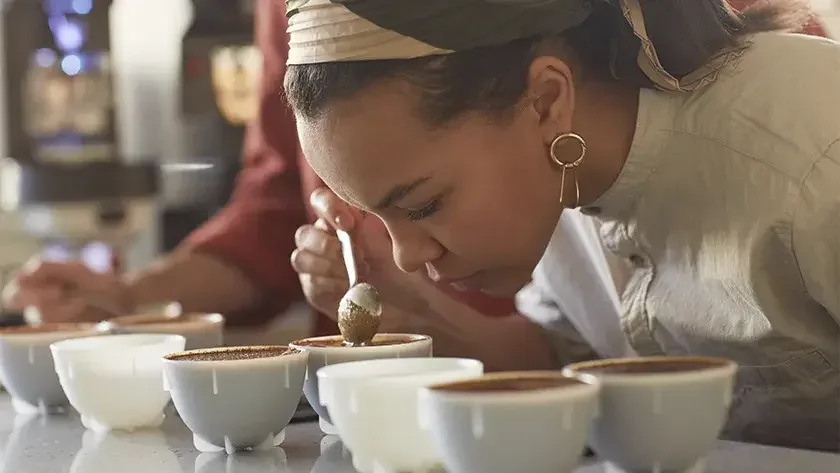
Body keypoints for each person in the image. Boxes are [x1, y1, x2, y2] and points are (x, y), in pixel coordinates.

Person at [282, 0, 839, 453]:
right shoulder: (554, 177)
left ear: (546, 99)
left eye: (424, 205)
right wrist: (413, 309)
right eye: (381, 216)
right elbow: (562, 362)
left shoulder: (814, 155)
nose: (405, 255)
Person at [4, 0, 520, 355]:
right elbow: (272, 209)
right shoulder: (286, 9)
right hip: (354, 381)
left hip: (528, 361)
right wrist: (133, 296)